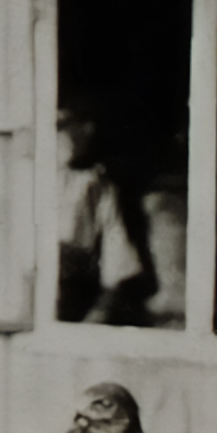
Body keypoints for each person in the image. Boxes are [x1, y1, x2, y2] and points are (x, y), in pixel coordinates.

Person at [56, 113, 158, 327]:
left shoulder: (97, 187)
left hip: (73, 319)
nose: (86, 130)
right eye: (59, 125)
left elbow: (118, 272)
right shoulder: (18, 178)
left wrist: (89, 327)